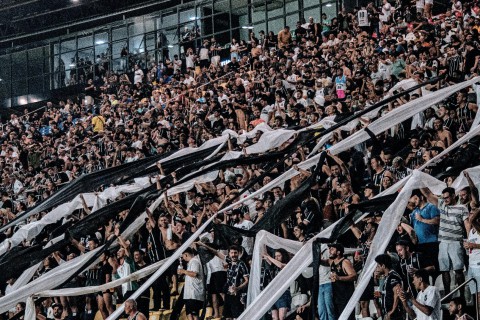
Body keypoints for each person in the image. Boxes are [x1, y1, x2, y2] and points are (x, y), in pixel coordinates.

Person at [421, 187, 469, 296]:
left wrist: (468, 238)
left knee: (458, 270)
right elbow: (428, 194)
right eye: (444, 198)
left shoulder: (462, 208)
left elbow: (467, 224)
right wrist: (418, 178)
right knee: (444, 270)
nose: (445, 200)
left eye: (447, 197)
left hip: (456, 242)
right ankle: (448, 295)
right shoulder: (442, 204)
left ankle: (461, 295)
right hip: (443, 242)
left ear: (453, 196)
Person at [320, 243, 357, 320]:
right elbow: (322, 262)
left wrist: (339, 278)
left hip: (346, 298)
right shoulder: (332, 262)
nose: (329, 251)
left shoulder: (345, 262)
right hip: (337, 298)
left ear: (338, 252)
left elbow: (354, 276)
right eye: (329, 249)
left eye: (332, 249)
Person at [263, 248, 291, 320]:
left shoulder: (288, 265)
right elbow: (265, 255)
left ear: (283, 256)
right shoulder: (274, 267)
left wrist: (269, 257)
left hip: (283, 293)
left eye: (279, 256)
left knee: (282, 317)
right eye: (275, 256)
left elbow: (281, 265)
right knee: (274, 317)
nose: (276, 258)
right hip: (274, 294)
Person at [374, 254, 404, 320]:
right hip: (388, 313)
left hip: (394, 315)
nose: (376, 269)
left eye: (378, 266)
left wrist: (392, 312)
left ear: (383, 266)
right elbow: (390, 293)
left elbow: (397, 295)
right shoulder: (387, 277)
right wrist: (381, 295)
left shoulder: (393, 277)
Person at [178, 247, 204, 320]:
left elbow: (194, 274)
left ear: (186, 254)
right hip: (190, 295)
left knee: (194, 315)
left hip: (194, 294)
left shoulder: (195, 261)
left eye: (183, 256)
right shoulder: (191, 262)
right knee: (189, 315)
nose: (183, 258)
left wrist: (183, 271)